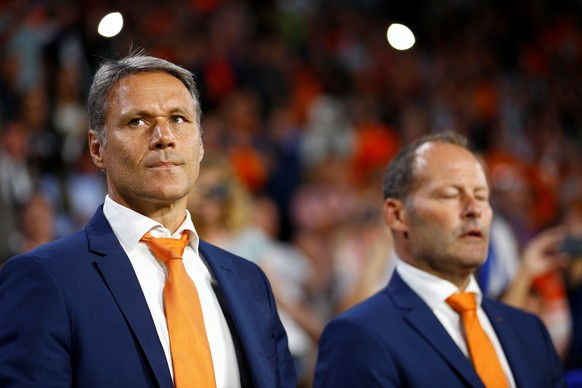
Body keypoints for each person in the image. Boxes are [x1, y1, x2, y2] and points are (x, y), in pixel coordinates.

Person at [0, 53, 296, 387]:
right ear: (97, 148)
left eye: (178, 119)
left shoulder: (250, 282)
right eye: (137, 121)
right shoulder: (44, 278)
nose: (163, 136)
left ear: (200, 145)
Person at [314, 131, 566, 387]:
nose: (474, 209)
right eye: (450, 195)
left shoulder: (530, 331)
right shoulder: (358, 336)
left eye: (481, 196)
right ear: (397, 215)